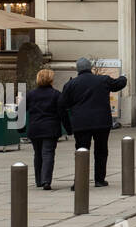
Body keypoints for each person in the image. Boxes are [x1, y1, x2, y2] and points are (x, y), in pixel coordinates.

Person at [61, 58, 128, 187]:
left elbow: (62, 106)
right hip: (101, 122)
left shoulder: (70, 84)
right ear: (90, 68)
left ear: (77, 69)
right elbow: (118, 84)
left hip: (81, 124)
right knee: (101, 151)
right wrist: (124, 77)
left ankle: (79, 181)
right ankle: (99, 180)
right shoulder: (102, 80)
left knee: (81, 151)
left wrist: (68, 127)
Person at [20, 68, 68, 190]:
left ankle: (39, 180)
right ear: (51, 80)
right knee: (48, 153)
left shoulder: (30, 94)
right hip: (50, 128)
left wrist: (20, 127)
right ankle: (46, 180)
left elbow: (20, 110)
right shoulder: (56, 94)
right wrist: (69, 128)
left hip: (35, 128)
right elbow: (63, 113)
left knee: (38, 154)